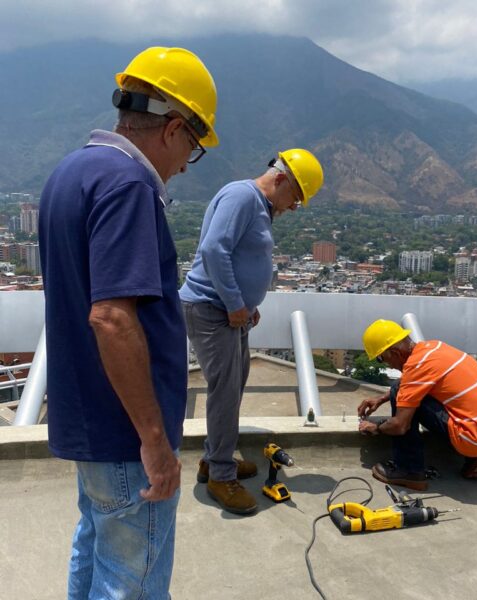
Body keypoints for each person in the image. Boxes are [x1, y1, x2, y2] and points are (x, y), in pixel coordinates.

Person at [39, 47, 219, 599]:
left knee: (93, 552)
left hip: (89, 421)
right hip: (124, 436)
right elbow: (112, 319)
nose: (187, 162)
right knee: (131, 584)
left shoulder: (72, 171)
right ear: (172, 128)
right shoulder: (129, 186)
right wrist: (154, 441)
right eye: (193, 145)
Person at [180, 149, 324, 514]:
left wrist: (246, 305)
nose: (294, 207)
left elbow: (240, 256)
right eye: (296, 196)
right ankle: (221, 477)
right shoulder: (243, 196)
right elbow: (214, 250)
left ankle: (215, 460)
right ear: (280, 179)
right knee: (225, 392)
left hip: (229, 311)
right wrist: (233, 303)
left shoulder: (260, 205)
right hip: (212, 309)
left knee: (234, 384)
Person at [358, 319, 477, 491]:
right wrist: (380, 399)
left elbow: (400, 426)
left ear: (394, 352)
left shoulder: (416, 366)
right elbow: (417, 382)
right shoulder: (433, 348)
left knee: (399, 393)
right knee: (402, 390)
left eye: (381, 359)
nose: (387, 364)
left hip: (472, 439)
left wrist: (376, 428)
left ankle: (409, 471)